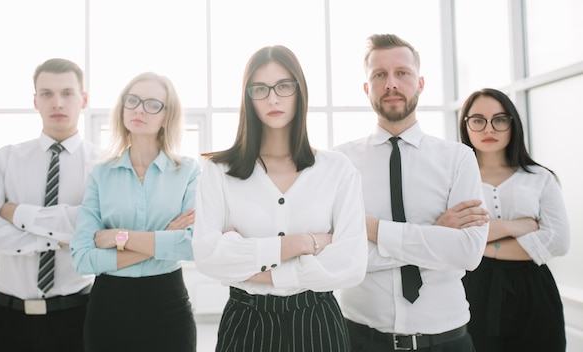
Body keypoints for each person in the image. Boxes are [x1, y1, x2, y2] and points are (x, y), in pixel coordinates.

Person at [192, 45, 368, 352]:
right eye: (260, 88)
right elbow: (209, 257)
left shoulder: (337, 169)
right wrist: (303, 244)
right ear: (248, 97)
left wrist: (254, 266)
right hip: (246, 322)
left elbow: (350, 264)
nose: (273, 98)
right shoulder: (218, 171)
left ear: (300, 91)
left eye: (284, 86)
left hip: (317, 320)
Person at [335, 33, 489, 352]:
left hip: (447, 339)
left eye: (402, 73)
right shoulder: (339, 163)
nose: (391, 83)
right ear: (367, 88)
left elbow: (468, 253)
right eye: (380, 75)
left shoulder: (458, 158)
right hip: (360, 339)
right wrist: (435, 235)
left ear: (420, 83)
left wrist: (372, 229)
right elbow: (339, 257)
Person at [0, 58, 97, 351]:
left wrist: (16, 214)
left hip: (77, 316)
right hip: (8, 319)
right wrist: (54, 238)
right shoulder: (6, 158)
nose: (57, 102)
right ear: (35, 100)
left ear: (83, 99)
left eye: (67, 93)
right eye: (47, 93)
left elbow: (96, 229)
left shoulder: (103, 165)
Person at [70, 71, 200, 352]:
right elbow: (82, 258)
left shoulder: (188, 171)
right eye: (133, 101)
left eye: (153, 104)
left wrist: (119, 236)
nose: (140, 109)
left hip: (168, 306)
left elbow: (192, 245)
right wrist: (164, 239)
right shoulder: (100, 174)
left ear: (167, 116)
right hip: (108, 308)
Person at [458, 88, 570, 352]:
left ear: (512, 123)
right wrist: (516, 226)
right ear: (466, 126)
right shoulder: (456, 180)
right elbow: (451, 237)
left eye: (499, 119)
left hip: (534, 290)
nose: (489, 128)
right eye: (478, 120)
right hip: (472, 288)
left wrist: (485, 247)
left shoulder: (540, 177)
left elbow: (558, 241)